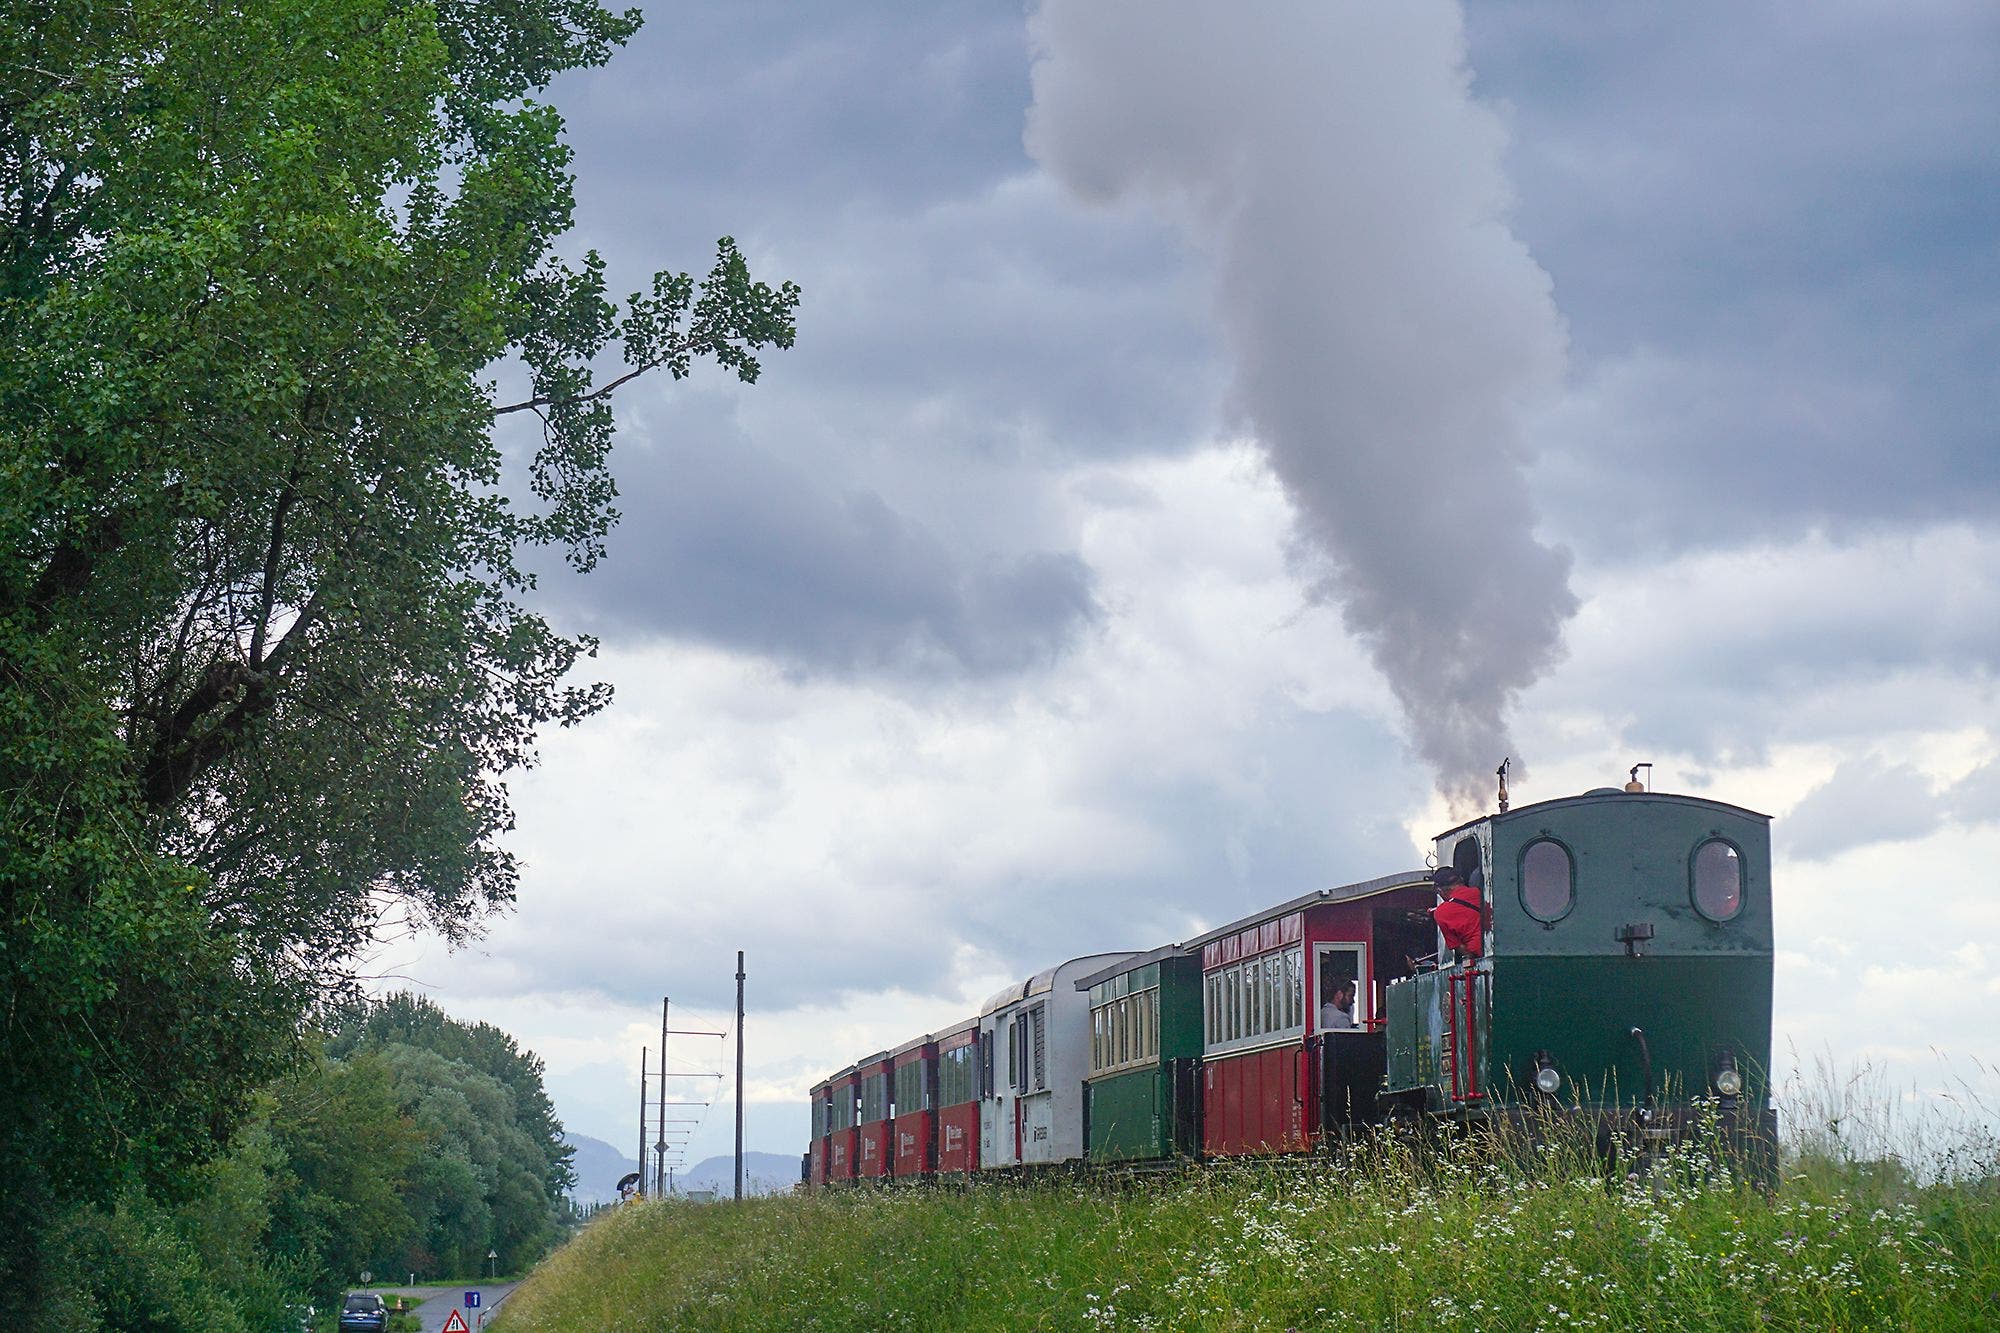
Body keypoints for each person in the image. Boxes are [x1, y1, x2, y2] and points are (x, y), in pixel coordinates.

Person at [1429, 867, 1485, 958]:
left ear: (1439, 890)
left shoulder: (1441, 912)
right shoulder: (1481, 892)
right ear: (1461, 880)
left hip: (1479, 954)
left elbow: (1460, 948)